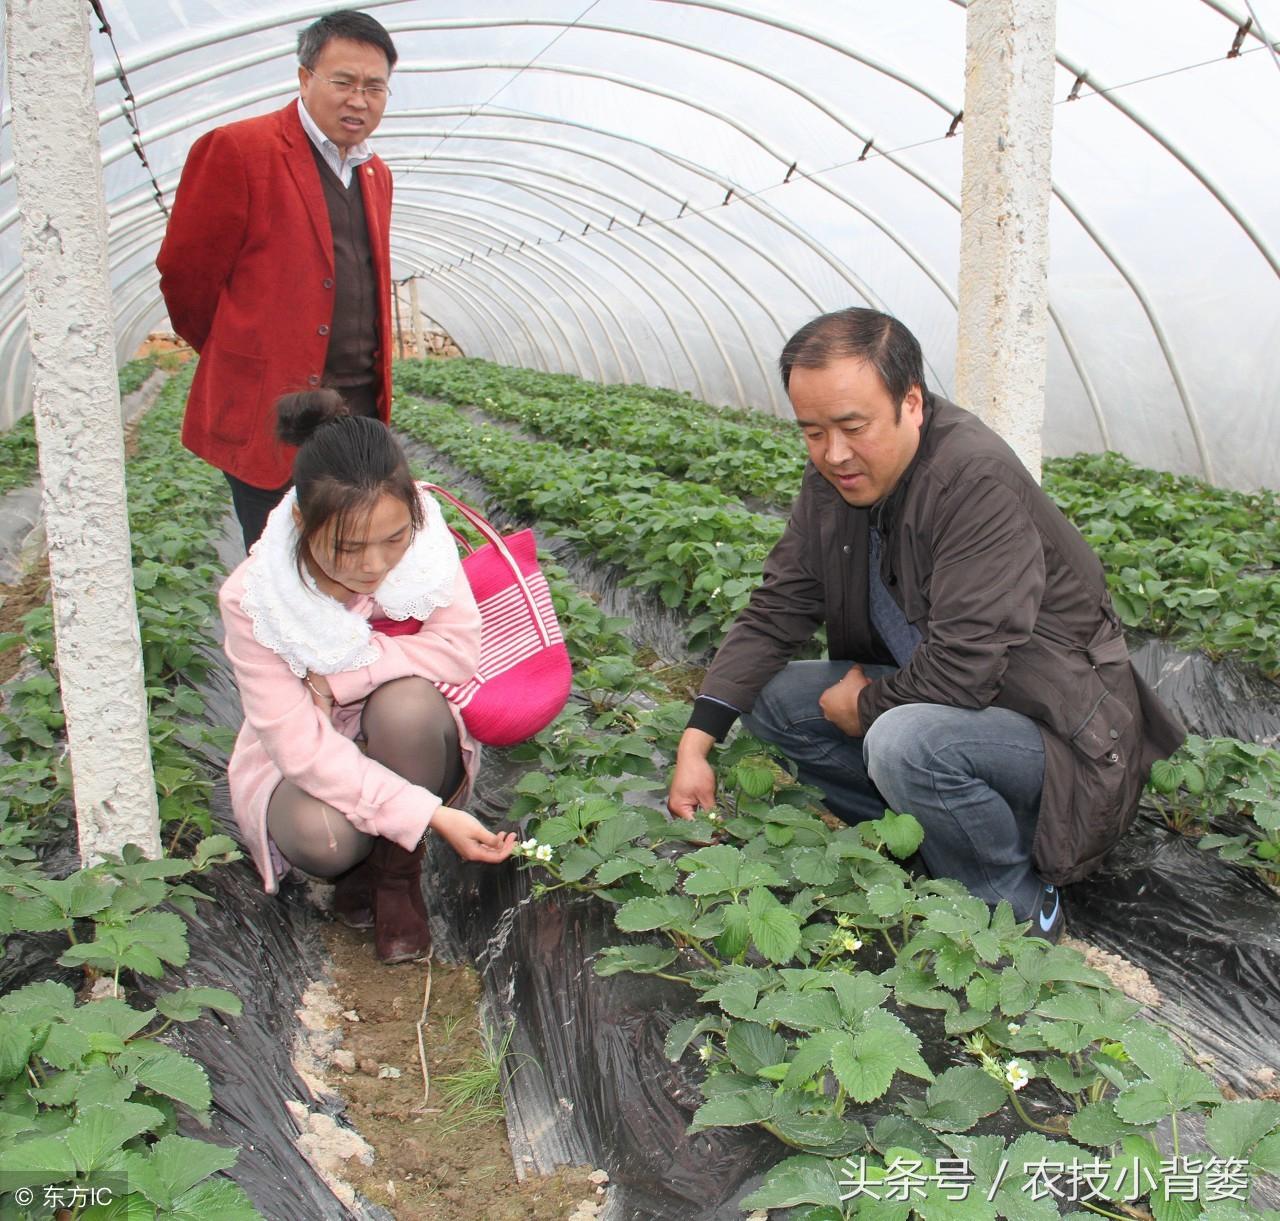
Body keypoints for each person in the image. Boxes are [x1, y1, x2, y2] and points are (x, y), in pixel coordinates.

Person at [667, 307, 1184, 941]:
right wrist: (698, 741)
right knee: (777, 702)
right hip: (950, 702)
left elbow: (965, 669)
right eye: (811, 432)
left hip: (1057, 733)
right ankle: (929, 842)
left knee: (905, 741)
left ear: (911, 402)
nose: (833, 453)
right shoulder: (837, 479)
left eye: (853, 427)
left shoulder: (974, 481)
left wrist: (867, 704)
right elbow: (779, 606)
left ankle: (1018, 909)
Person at [219, 391, 515, 963]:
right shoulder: (256, 599)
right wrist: (428, 813)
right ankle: (360, 861)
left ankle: (395, 877)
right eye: (348, 547)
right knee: (324, 838)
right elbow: (300, 749)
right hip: (312, 753)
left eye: (393, 539)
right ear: (303, 522)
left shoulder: (426, 553)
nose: (376, 565)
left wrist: (347, 678)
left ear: (415, 517)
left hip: (409, 739)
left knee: (406, 705)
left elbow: (456, 653)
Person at [157, 10, 397, 550]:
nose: (359, 99)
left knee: (355, 562)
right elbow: (185, 276)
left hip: (357, 415)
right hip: (273, 418)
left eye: (374, 87)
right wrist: (237, 355)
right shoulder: (240, 150)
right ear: (305, 77)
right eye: (343, 82)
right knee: (277, 567)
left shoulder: (376, 174)